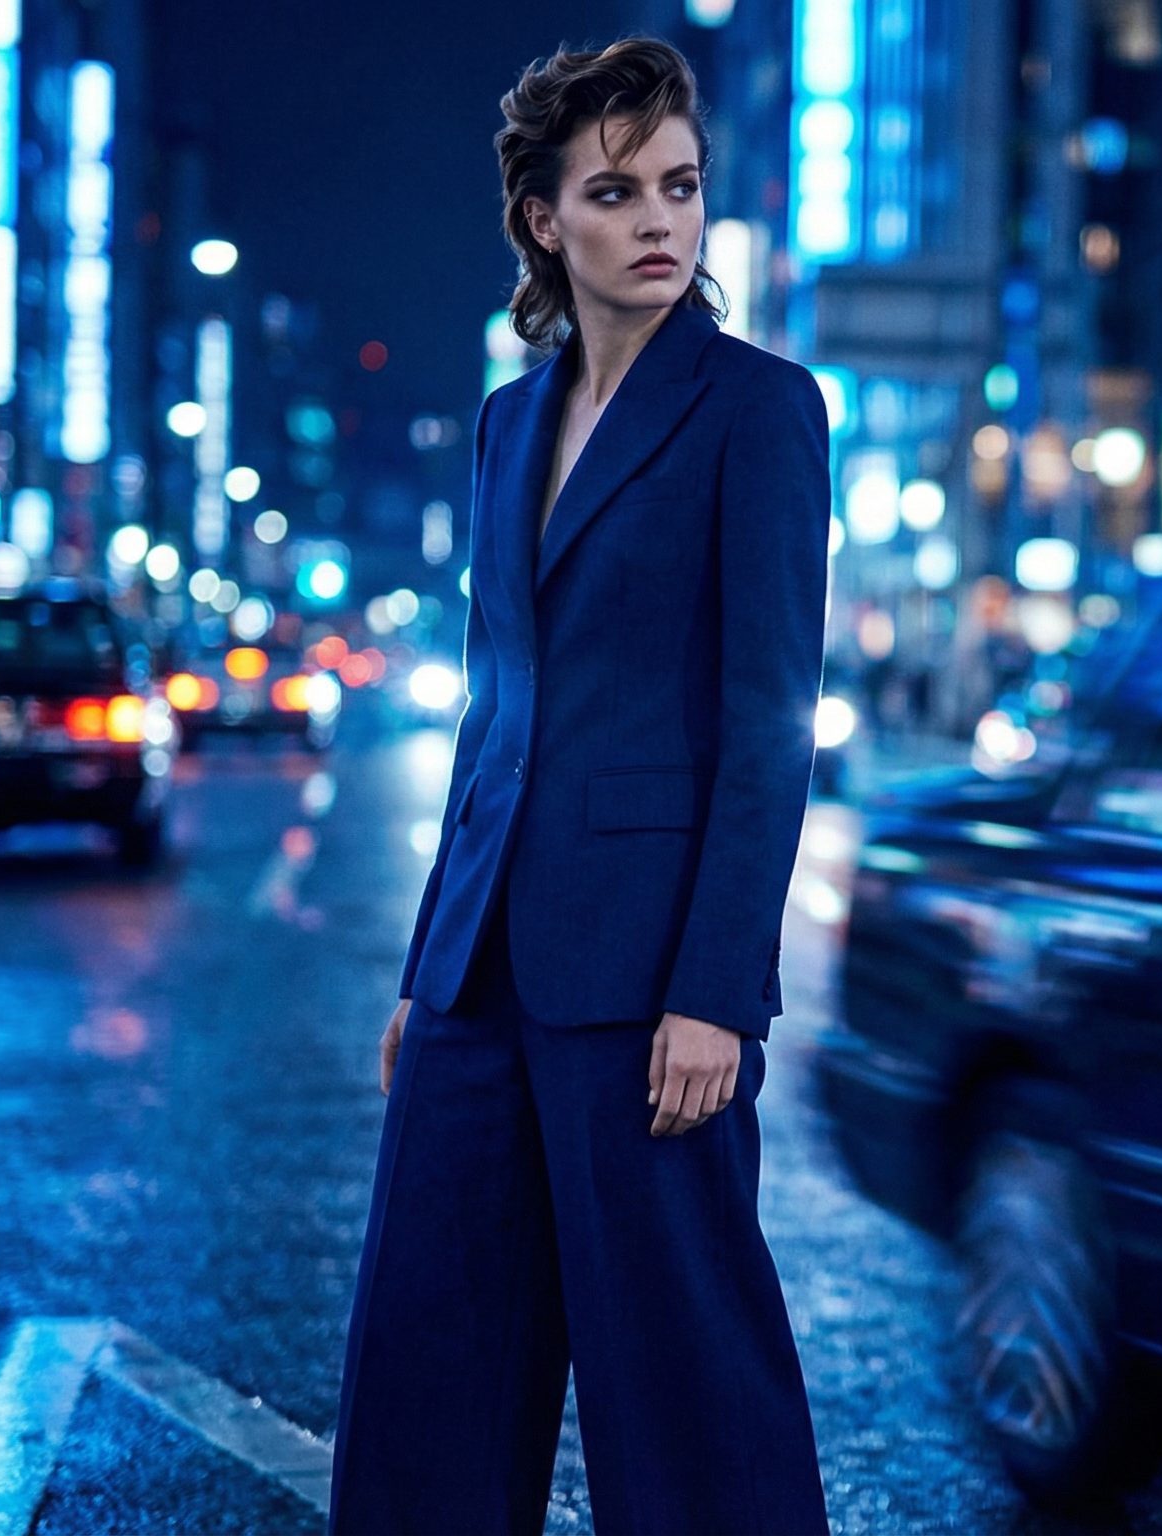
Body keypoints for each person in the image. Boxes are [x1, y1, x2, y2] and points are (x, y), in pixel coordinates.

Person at [327, 37, 831, 1536]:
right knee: (431, 1360)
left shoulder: (760, 409)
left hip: (645, 984)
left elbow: (766, 725)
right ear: (547, 220)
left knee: (682, 1383)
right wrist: (431, 967)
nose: (660, 221)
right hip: (483, 973)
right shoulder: (505, 422)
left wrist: (719, 992)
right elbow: (503, 710)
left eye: (679, 186)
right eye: (617, 192)